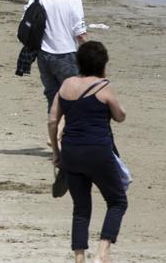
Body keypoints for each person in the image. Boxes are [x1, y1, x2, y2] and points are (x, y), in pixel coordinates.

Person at [48, 41, 128, 263]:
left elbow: (53, 120)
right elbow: (120, 115)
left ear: (79, 62)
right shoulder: (104, 86)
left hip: (71, 153)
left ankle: (79, 258)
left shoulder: (66, 85)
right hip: (98, 153)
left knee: (81, 209)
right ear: (103, 64)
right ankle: (102, 253)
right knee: (117, 201)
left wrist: (56, 152)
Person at [25, 0, 87, 110]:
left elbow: (26, 20)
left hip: (43, 54)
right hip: (66, 54)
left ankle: (55, 132)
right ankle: (69, 132)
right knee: (73, 98)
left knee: (53, 98)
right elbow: (80, 34)